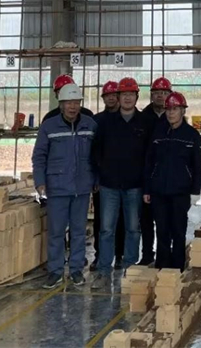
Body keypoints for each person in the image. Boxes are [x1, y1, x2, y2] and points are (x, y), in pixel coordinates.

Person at [33, 83, 96, 289]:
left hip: (82, 187)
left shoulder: (90, 125)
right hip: (57, 187)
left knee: (78, 232)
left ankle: (76, 270)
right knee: (56, 232)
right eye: (69, 103)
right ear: (61, 104)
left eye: (76, 102)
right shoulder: (49, 127)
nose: (72, 107)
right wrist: (40, 182)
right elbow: (39, 156)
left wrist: (95, 180)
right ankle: (55, 271)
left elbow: (97, 155)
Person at [91, 78, 152, 289]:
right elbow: (96, 151)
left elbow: (150, 156)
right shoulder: (105, 122)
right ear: (118, 97)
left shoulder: (145, 122)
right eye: (124, 94)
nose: (127, 98)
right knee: (106, 229)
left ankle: (130, 271)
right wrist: (101, 173)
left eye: (131, 94)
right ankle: (103, 272)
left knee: (133, 229)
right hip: (109, 185)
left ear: (136, 96)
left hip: (135, 185)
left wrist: (146, 182)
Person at [144, 92, 201, 271]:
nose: (171, 113)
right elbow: (149, 162)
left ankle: (177, 267)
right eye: (168, 109)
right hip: (159, 191)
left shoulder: (192, 135)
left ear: (183, 111)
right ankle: (162, 266)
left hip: (181, 192)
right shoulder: (158, 133)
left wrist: (195, 191)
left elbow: (198, 166)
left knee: (178, 231)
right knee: (162, 230)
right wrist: (147, 188)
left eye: (175, 109)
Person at [137, 77, 171, 265]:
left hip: (167, 176)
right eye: (157, 92)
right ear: (151, 95)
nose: (160, 96)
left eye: (164, 93)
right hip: (146, 174)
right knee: (146, 219)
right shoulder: (142, 118)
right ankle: (147, 254)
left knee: (165, 220)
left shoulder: (173, 116)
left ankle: (165, 255)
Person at [92, 81, 121, 272]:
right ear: (103, 98)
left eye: (113, 95)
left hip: (124, 179)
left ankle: (120, 255)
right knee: (101, 221)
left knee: (122, 221)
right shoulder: (97, 121)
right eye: (107, 96)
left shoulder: (126, 118)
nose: (111, 98)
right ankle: (100, 255)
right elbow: (93, 151)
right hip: (103, 180)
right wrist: (96, 176)